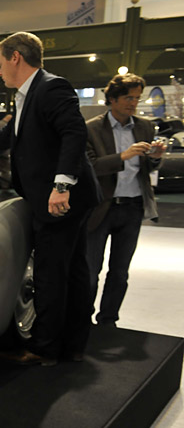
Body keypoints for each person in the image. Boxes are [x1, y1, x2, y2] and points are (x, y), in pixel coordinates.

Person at [0, 31, 99, 366]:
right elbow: (5, 138)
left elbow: (74, 132)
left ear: (15, 57)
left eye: (1, 63)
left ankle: (44, 349)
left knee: (50, 273)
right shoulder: (29, 94)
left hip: (60, 198)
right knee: (71, 270)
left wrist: (61, 186)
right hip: (65, 196)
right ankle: (72, 345)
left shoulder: (50, 87)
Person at [84, 72, 164, 327]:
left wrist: (155, 157)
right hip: (100, 208)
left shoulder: (145, 127)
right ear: (112, 99)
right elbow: (90, 166)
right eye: (128, 97)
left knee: (119, 272)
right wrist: (123, 156)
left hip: (132, 207)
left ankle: (108, 321)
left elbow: (147, 168)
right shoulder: (92, 128)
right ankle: (81, 319)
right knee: (90, 272)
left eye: (137, 98)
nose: (133, 103)